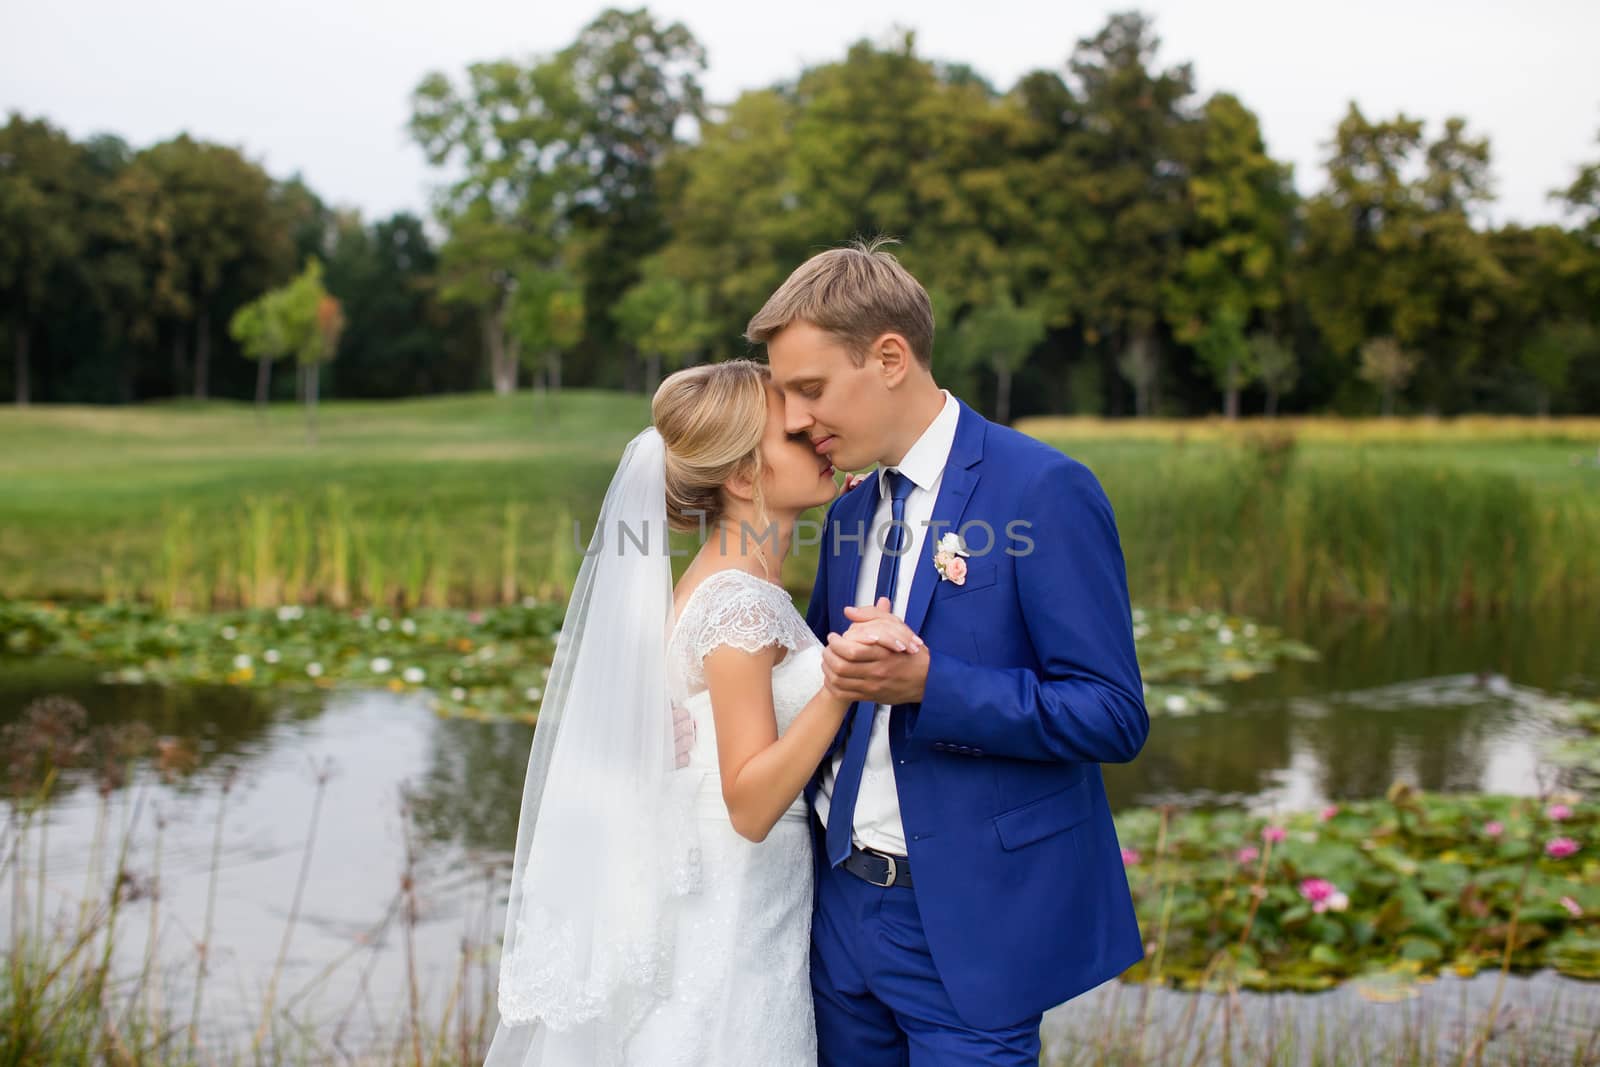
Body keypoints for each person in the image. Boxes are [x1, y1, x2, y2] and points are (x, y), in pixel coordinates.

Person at [746, 239, 1150, 1065]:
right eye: (786, 394)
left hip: (969, 928)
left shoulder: (1041, 491)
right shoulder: (851, 509)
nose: (793, 419)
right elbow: (827, 680)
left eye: (810, 389)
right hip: (836, 920)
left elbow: (1113, 715)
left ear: (889, 357)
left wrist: (933, 684)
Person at [484, 359, 919, 1066]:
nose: (820, 436)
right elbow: (749, 802)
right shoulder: (738, 599)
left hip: (741, 889)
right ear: (745, 477)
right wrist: (843, 685)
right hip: (740, 901)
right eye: (795, 433)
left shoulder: (723, 581)